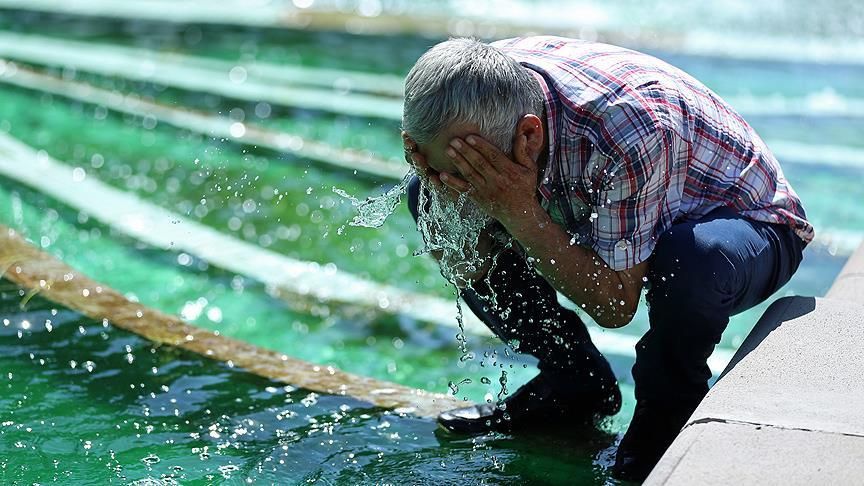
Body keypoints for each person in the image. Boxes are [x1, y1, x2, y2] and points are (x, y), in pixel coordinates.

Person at [401, 37, 812, 481]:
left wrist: (518, 212)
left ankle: (666, 417)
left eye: (468, 172)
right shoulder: (458, 92)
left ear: (528, 136)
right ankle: (575, 382)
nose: (451, 183)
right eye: (435, 165)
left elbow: (615, 305)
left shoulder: (629, 128)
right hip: (619, 192)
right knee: (426, 198)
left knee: (689, 259)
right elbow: (460, 240)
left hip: (750, 226)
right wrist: (443, 193)